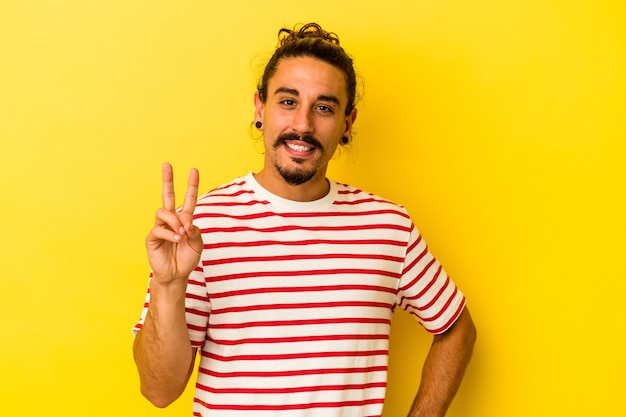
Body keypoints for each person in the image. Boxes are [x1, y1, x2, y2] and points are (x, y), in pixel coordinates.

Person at [133, 22, 476, 417]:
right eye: (288, 101)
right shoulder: (200, 227)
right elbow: (158, 391)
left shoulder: (388, 227)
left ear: (347, 124)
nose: (303, 125)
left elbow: (457, 328)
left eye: (324, 108)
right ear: (260, 108)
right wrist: (169, 285)